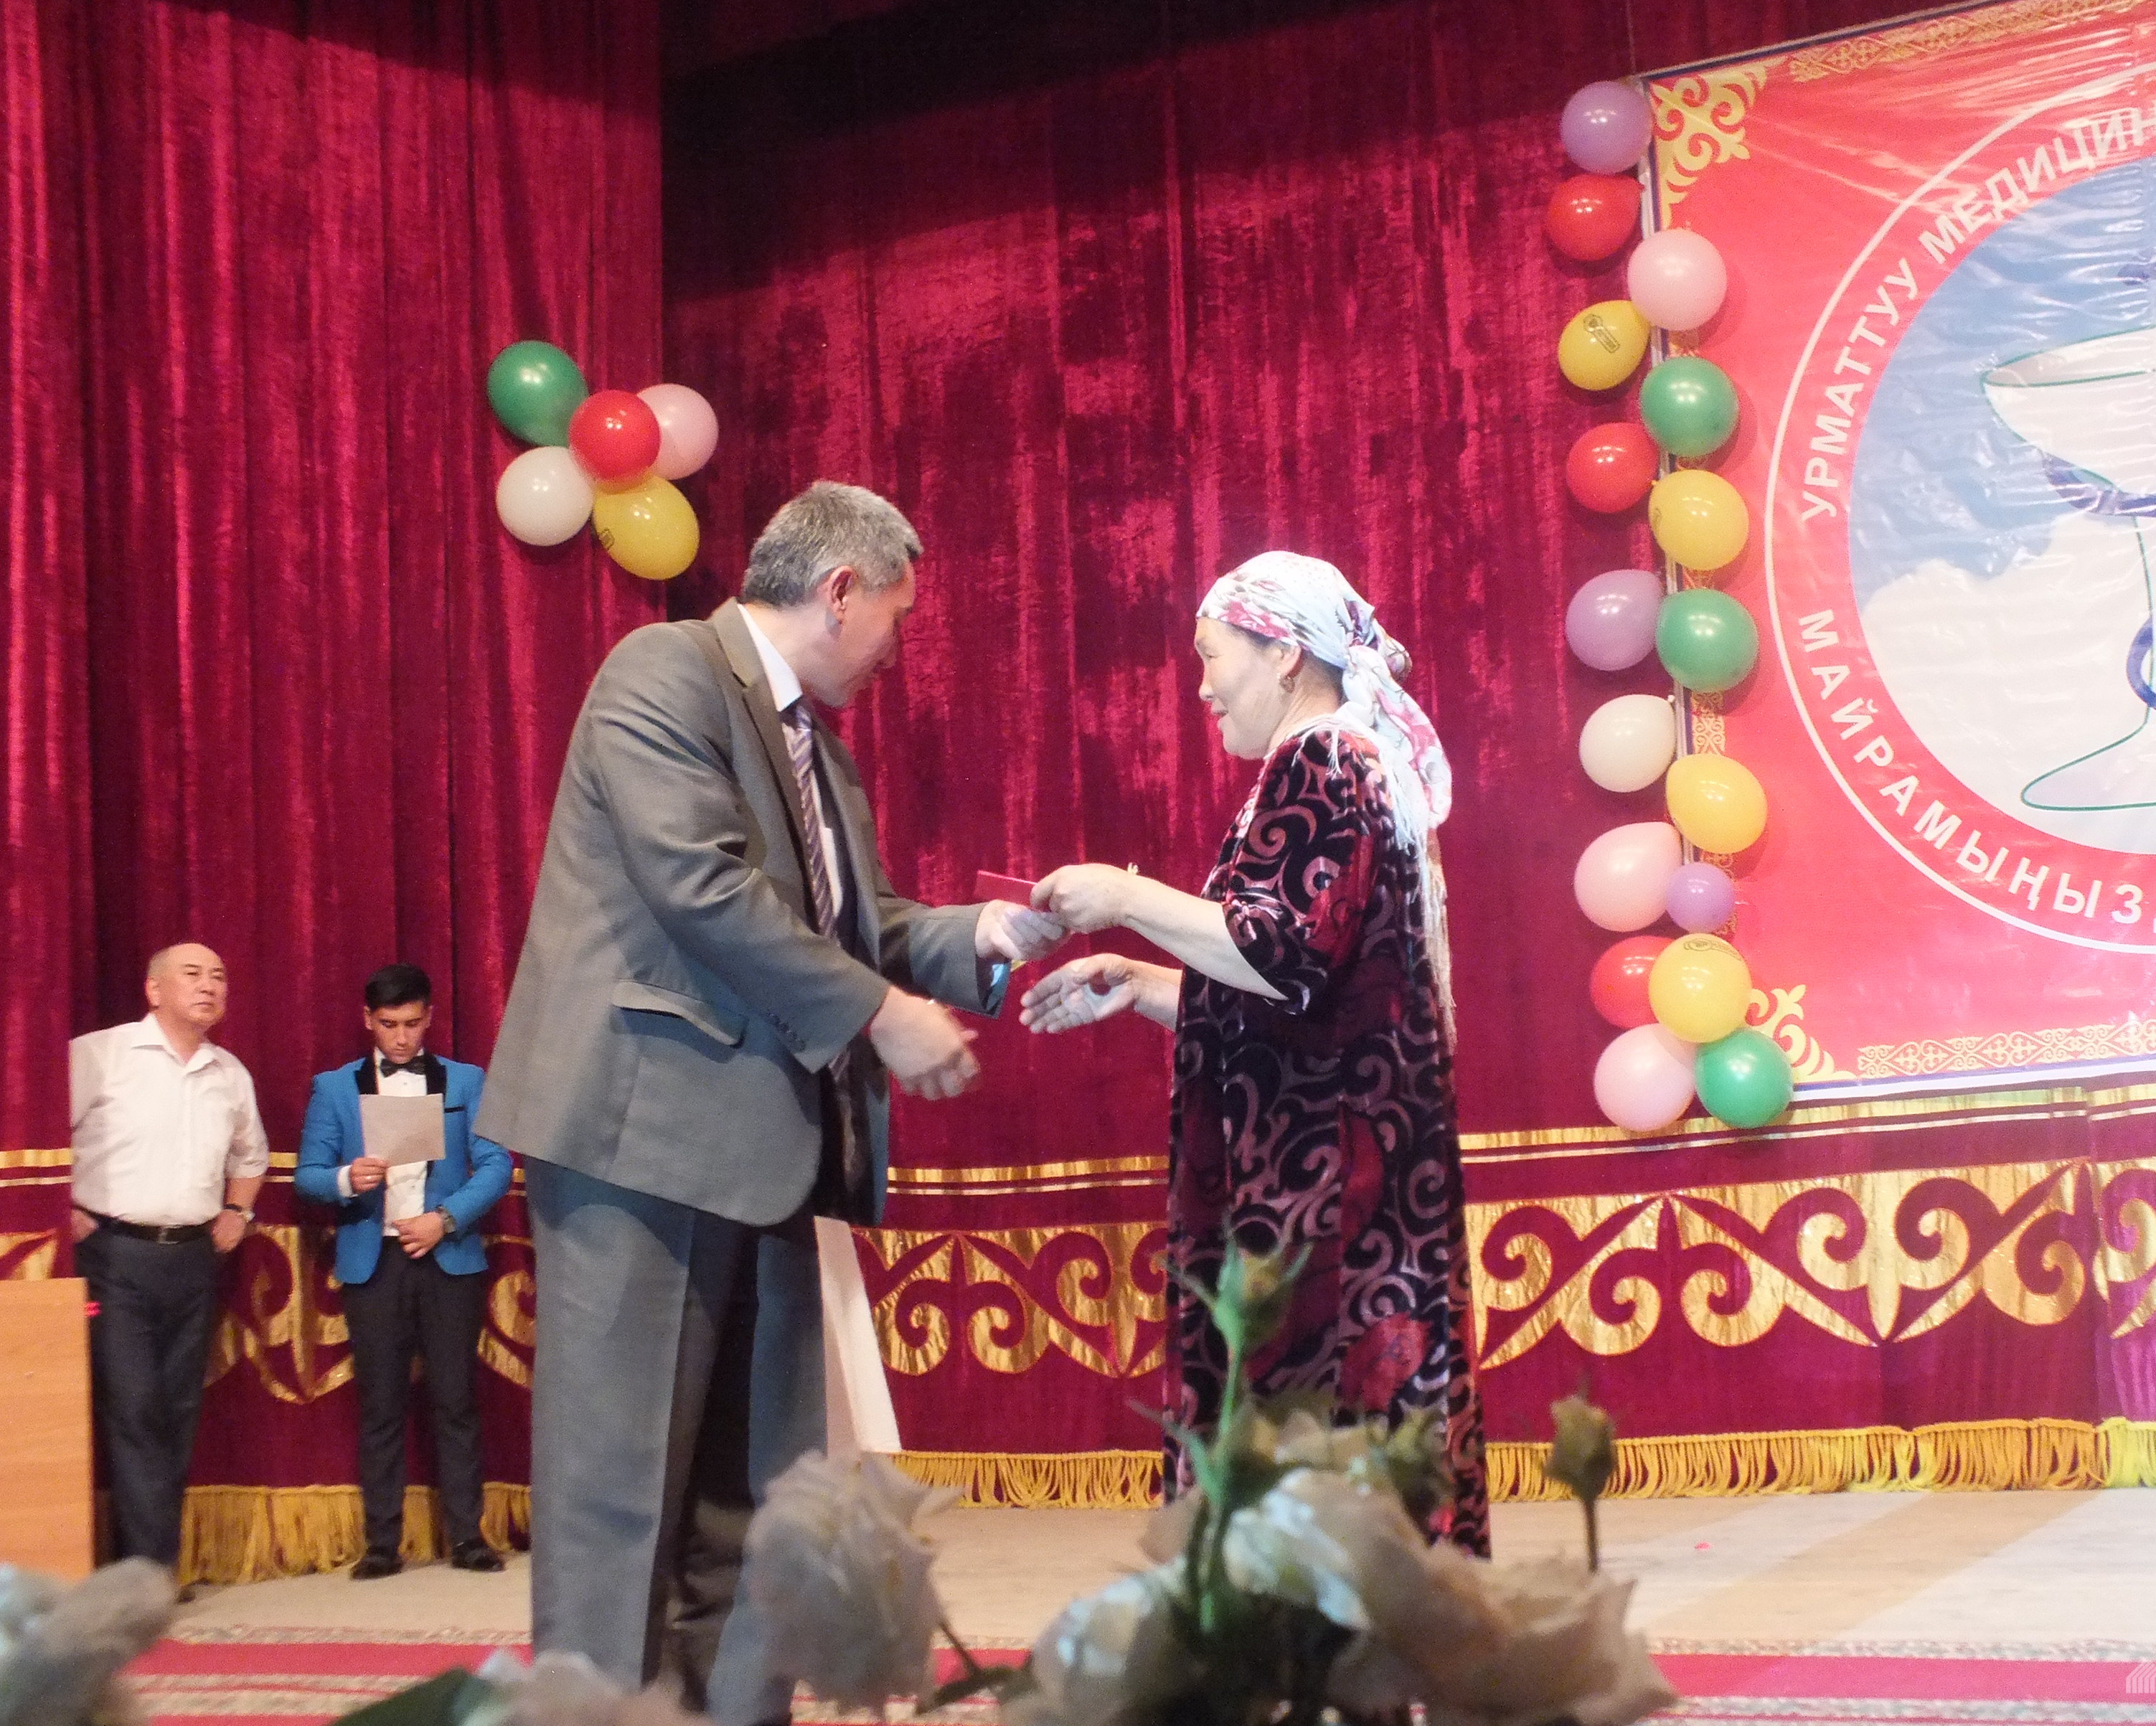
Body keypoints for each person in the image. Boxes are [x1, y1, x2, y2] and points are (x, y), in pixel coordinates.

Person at [477, 479, 1063, 1721]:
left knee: (755, 1501)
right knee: (619, 1500)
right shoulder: (664, 672)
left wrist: (987, 934)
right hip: (639, 1141)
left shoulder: (819, 753)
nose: (900, 647)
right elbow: (702, 885)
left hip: (769, 1153)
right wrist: (880, 1012)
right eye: (898, 615)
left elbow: (863, 922)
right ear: (839, 590)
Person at [1021, 550, 1487, 1553]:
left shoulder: (1326, 761)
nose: (1200, 687)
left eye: (1209, 655)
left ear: (1282, 654)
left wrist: (1123, 897)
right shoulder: (1347, 761)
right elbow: (1305, 990)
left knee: (1307, 1460)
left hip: (1321, 1200)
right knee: (1351, 1469)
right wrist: (1143, 984)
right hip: (1341, 1177)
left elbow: (1284, 951)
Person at [293, 963, 514, 1580]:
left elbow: (496, 1164)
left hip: (446, 1256)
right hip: (376, 1260)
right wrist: (347, 1178)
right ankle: (382, 1543)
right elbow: (308, 1177)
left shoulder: (465, 1080)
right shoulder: (336, 1087)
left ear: (429, 1018)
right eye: (389, 1025)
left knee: (456, 1399)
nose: (401, 1038)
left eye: (412, 1024)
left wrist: (445, 1219)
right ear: (368, 1020)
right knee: (381, 1404)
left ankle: (467, 1536)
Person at [69, 942, 266, 1576]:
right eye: (193, 975)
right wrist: (61, 1207)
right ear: (154, 990)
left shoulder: (229, 1073)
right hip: (113, 1258)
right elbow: (41, 1136)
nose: (209, 986)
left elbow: (251, 1157)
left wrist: (237, 1212)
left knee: (178, 1409)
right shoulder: (99, 1054)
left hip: (192, 1260)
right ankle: (146, 1572)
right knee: (133, 1407)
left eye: (219, 977)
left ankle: (154, 1563)